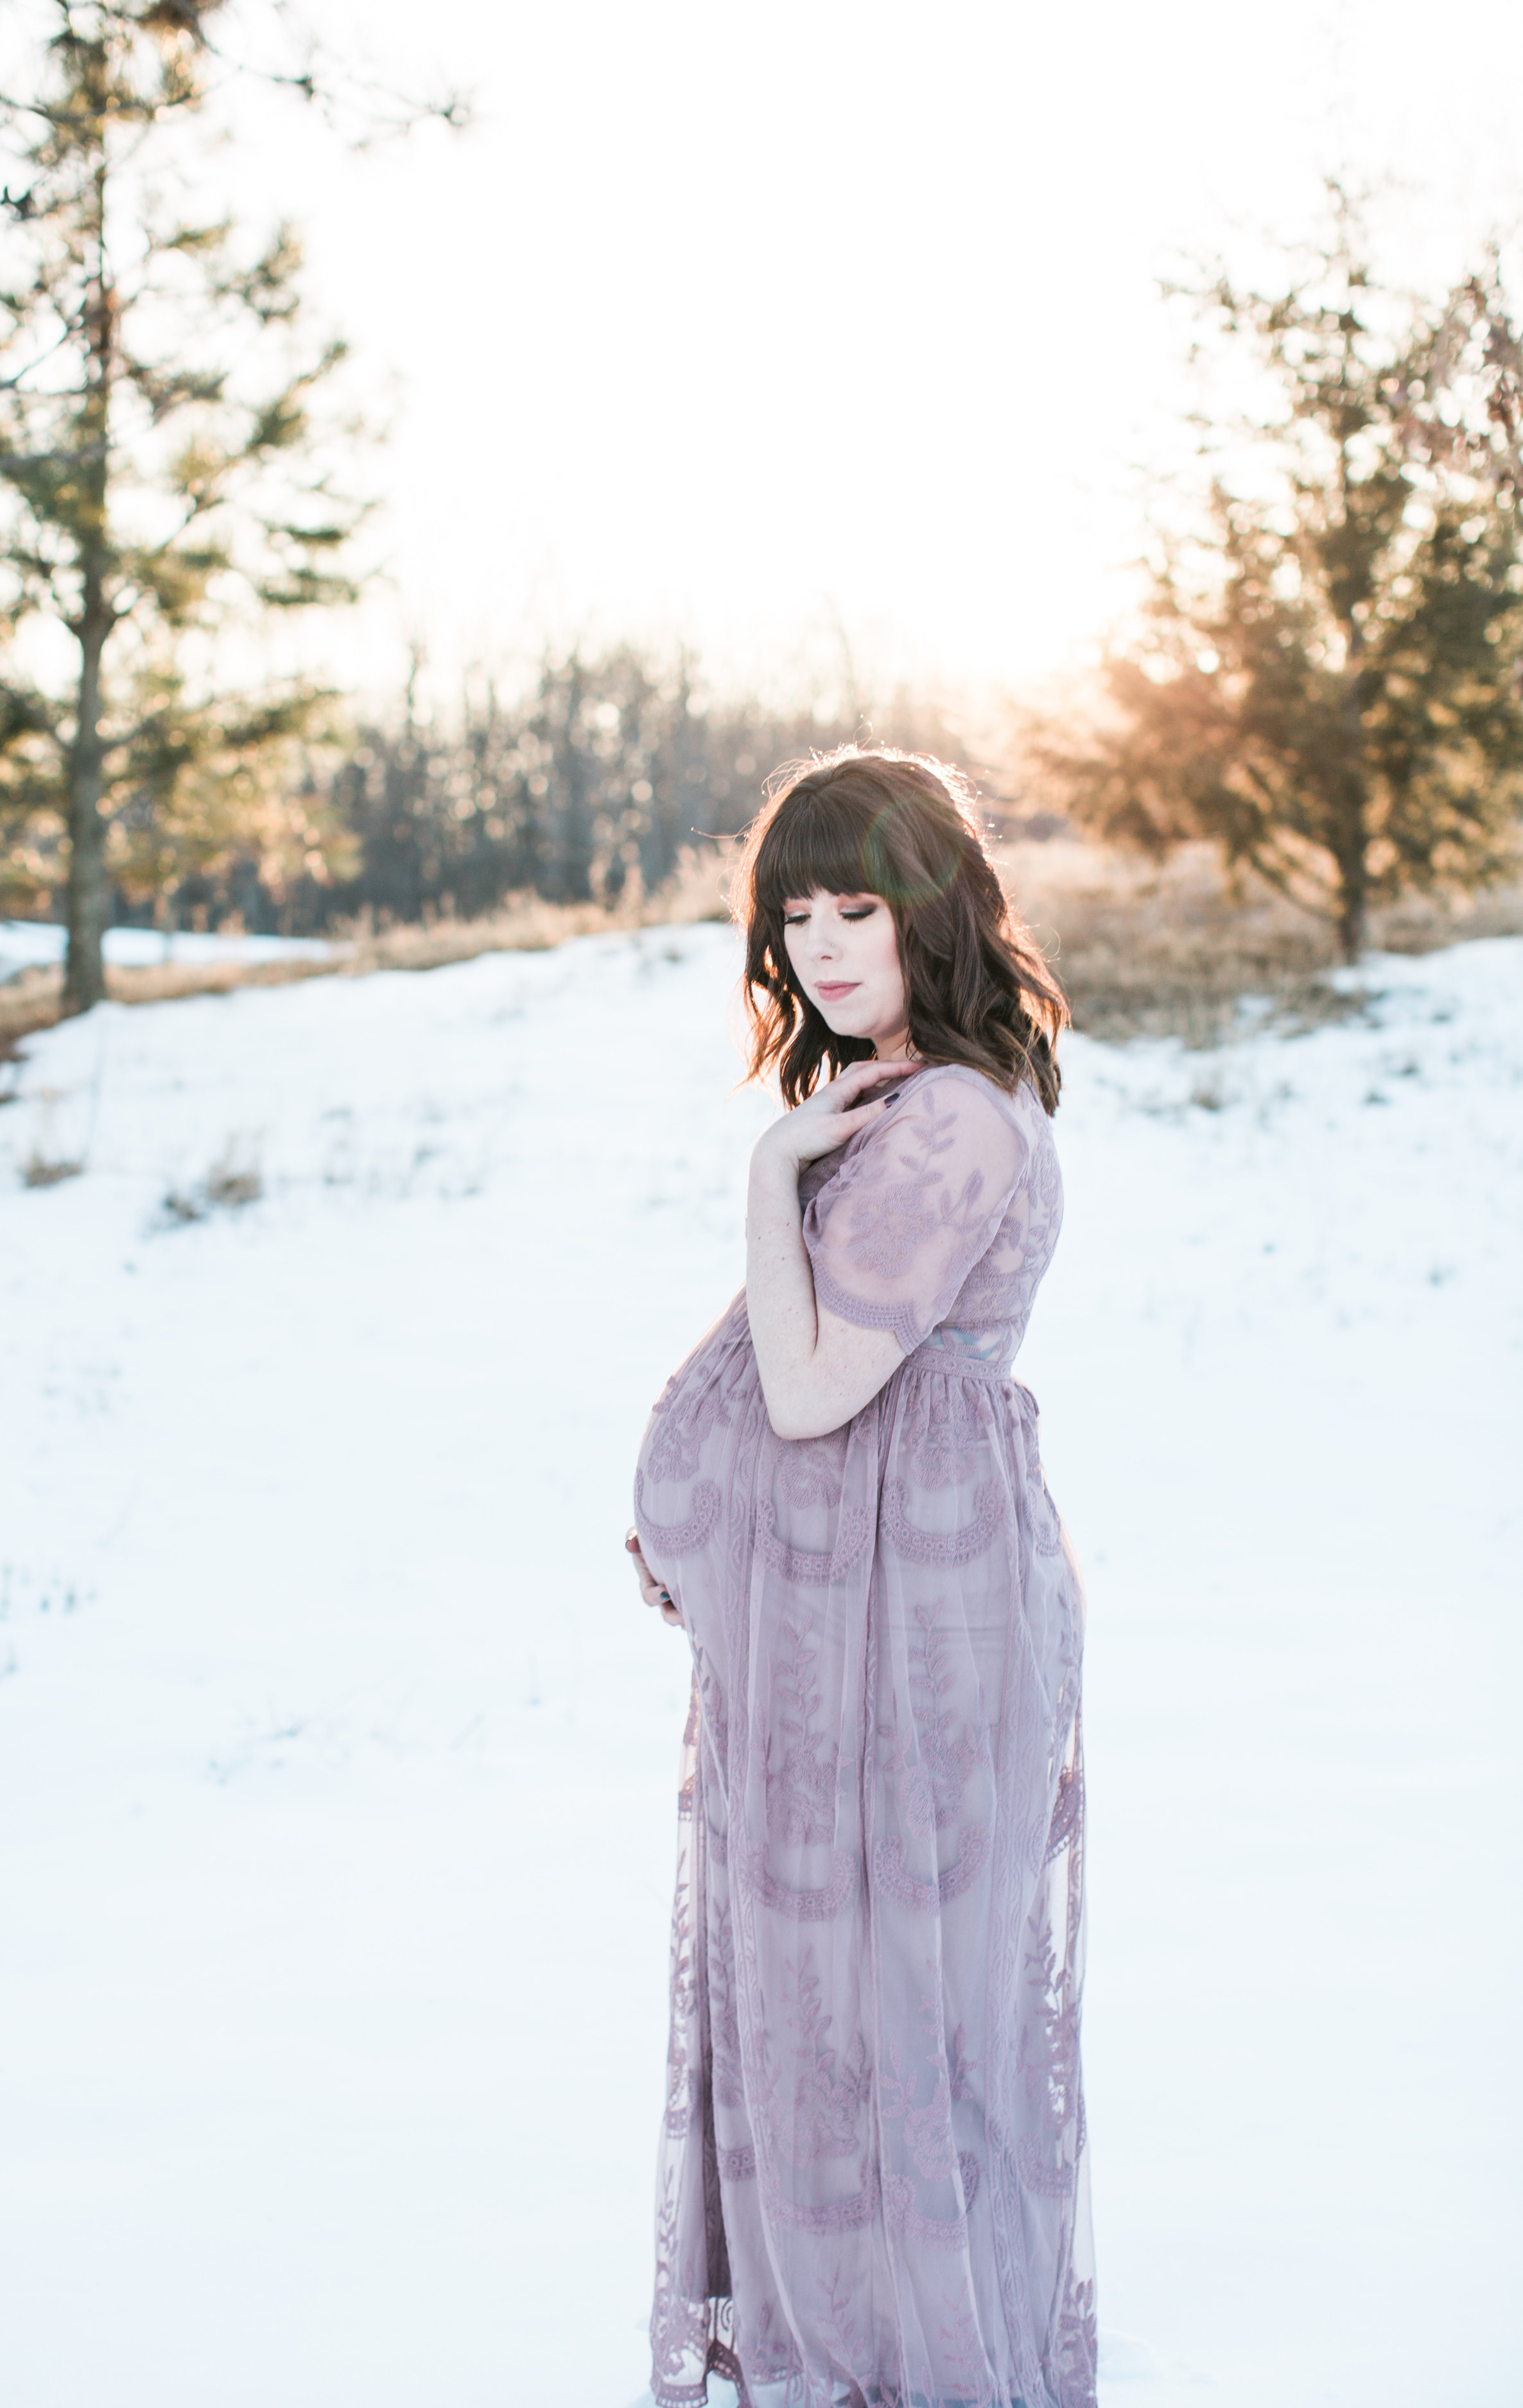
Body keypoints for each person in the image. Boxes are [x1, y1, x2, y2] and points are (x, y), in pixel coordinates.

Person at [627, 747, 1094, 2408]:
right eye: (794, 912)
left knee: (900, 2020)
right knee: (829, 2014)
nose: (824, 946)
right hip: (856, 1614)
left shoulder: (949, 1121)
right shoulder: (893, 1098)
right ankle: (857, 2360)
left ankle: (922, 2372)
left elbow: (815, 1387)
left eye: (860, 907)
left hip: (922, 1624)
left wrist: (766, 1177)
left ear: (933, 913)